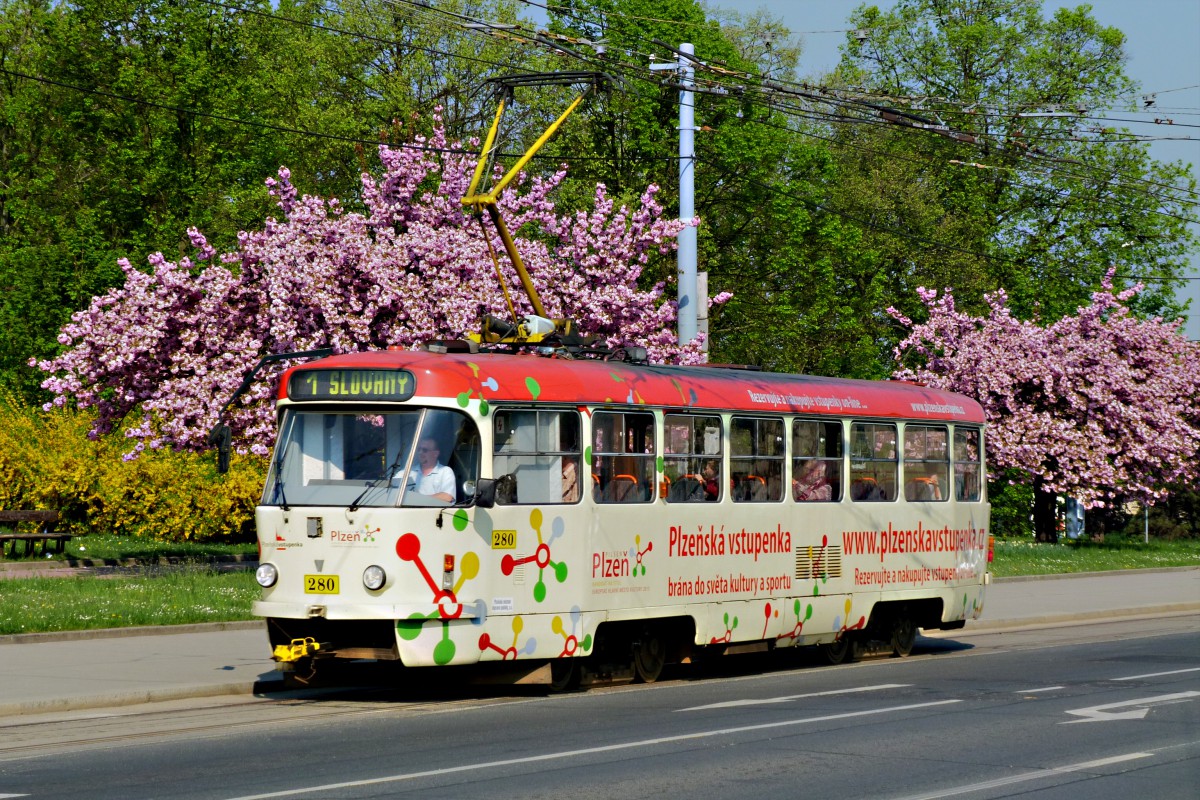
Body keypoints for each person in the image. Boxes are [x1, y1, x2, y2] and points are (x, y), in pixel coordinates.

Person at [408, 437, 455, 503]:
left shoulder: (445, 471)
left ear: (435, 453)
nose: (420, 452)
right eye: (419, 449)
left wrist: (417, 500)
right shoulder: (407, 472)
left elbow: (447, 497)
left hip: (435, 512)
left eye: (424, 450)